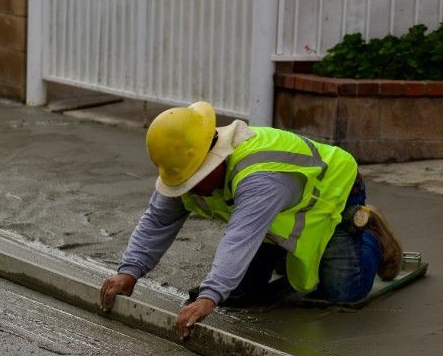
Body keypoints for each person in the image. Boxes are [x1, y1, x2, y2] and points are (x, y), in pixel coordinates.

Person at [98, 101, 403, 340]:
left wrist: (210, 296)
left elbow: (240, 236)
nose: (187, 189)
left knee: (343, 293)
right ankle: (284, 251)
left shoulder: (260, 177)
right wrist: (129, 272)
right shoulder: (185, 164)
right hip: (272, 217)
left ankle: (369, 234)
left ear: (213, 157)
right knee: (240, 293)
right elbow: (157, 221)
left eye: (194, 180)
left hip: (334, 194)